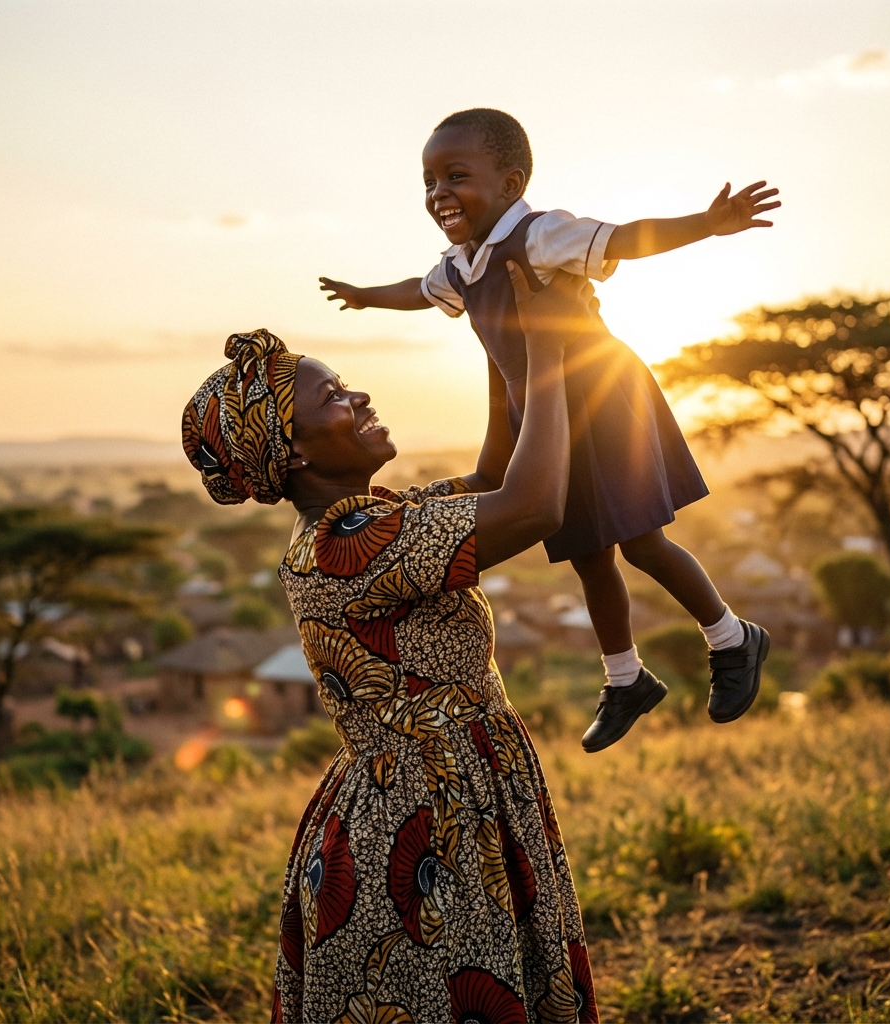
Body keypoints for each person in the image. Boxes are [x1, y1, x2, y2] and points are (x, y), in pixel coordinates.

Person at [182, 267, 601, 1022]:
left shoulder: (376, 519)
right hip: (425, 817)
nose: (359, 397)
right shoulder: (353, 546)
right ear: (297, 451)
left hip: (447, 789)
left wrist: (496, 329)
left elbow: (498, 475)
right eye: (332, 398)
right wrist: (549, 347)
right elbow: (534, 503)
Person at [319, 107, 776, 751]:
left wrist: (706, 224)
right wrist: (365, 294)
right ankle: (626, 679)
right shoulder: (462, 264)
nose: (437, 192)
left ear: (509, 183)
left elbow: (623, 238)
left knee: (642, 541)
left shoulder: (539, 234)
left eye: (455, 175)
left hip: (601, 396)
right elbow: (419, 291)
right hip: (547, 417)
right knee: (588, 554)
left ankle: (733, 640)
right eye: (428, 181)